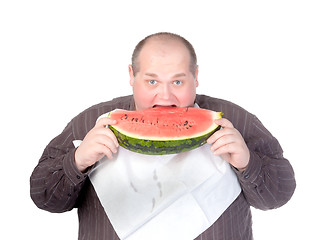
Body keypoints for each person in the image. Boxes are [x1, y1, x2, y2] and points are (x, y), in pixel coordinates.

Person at [30, 32, 296, 240]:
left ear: (196, 77)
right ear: (132, 76)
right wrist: (76, 161)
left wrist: (248, 163)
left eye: (178, 82)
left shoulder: (236, 121)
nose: (166, 97)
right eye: (152, 81)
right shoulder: (91, 122)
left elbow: (279, 196)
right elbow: (44, 198)